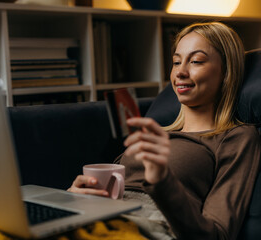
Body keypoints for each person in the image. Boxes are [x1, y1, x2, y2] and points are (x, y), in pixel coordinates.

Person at [68, 22, 261, 240]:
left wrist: (162, 180)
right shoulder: (154, 136)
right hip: (93, 218)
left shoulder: (236, 137)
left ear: (226, 71)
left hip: (145, 227)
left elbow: (216, 235)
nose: (180, 72)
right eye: (176, 62)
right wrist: (74, 199)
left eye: (196, 61)